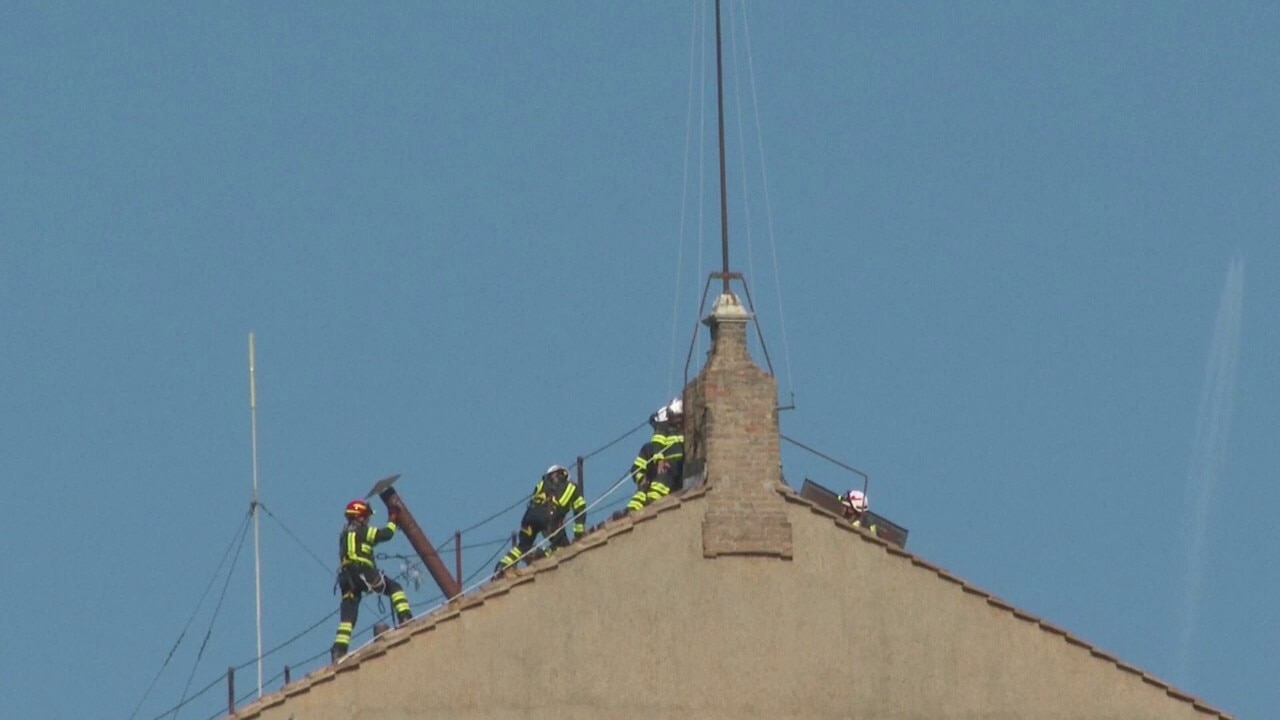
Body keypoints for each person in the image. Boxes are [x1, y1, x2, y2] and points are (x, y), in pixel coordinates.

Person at [330, 499, 413, 663]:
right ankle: (405, 618)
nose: (368, 520)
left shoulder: (344, 535)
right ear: (359, 516)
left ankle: (339, 650)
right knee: (394, 588)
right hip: (363, 573)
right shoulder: (362, 531)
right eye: (366, 516)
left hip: (346, 579)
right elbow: (385, 535)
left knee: (348, 618)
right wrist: (393, 519)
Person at [494, 465, 586, 574]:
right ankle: (541, 556)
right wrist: (578, 534)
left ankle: (503, 566)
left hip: (529, 517)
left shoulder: (540, 485)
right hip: (549, 517)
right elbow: (580, 508)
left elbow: (536, 504)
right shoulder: (572, 487)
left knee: (523, 546)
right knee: (562, 546)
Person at [624, 398, 686, 513]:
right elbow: (636, 468)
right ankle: (631, 511)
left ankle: (650, 505)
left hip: (673, 472)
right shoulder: (649, 448)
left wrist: (662, 462)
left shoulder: (681, 434)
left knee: (658, 485)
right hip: (652, 480)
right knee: (642, 493)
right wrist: (642, 479)